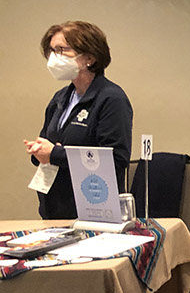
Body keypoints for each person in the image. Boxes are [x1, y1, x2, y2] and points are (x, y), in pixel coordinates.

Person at [24, 21, 133, 219]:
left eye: (61, 50)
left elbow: (115, 159)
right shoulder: (60, 98)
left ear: (89, 58)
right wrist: (39, 151)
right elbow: (47, 143)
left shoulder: (111, 99)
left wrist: (55, 154)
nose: (53, 58)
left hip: (94, 210)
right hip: (55, 207)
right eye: (51, 51)